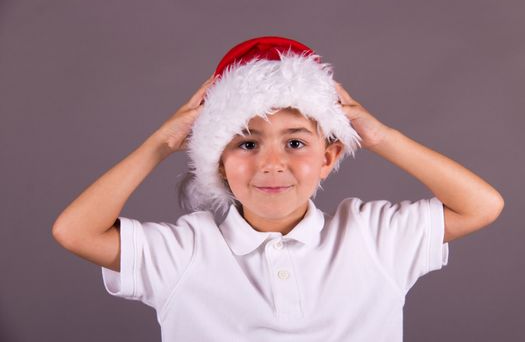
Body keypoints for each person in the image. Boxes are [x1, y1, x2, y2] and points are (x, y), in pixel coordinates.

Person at [52, 36, 504, 342]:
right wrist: (159, 144)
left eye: (295, 142)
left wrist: (380, 136)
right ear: (220, 164)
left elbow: (481, 205)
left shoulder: (372, 236)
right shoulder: (186, 249)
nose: (272, 163)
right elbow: (76, 232)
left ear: (328, 158)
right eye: (246, 142)